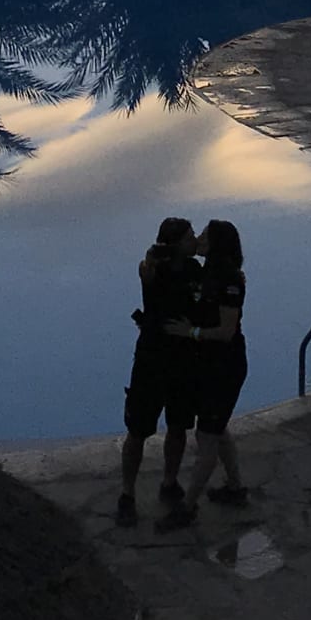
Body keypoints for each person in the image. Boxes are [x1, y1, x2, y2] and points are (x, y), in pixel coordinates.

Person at [158, 218, 249, 525]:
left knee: (206, 435)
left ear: (216, 244)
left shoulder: (229, 279)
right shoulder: (207, 272)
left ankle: (187, 507)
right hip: (210, 365)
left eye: (204, 236)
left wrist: (190, 332)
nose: (198, 239)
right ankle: (235, 488)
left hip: (225, 366)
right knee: (217, 428)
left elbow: (226, 331)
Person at [117, 216, 200, 526]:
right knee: (137, 430)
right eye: (189, 237)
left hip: (183, 360)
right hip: (152, 361)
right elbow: (147, 271)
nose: (194, 240)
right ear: (175, 243)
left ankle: (169, 481)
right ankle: (127, 494)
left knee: (178, 426)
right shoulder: (153, 268)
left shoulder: (194, 270)